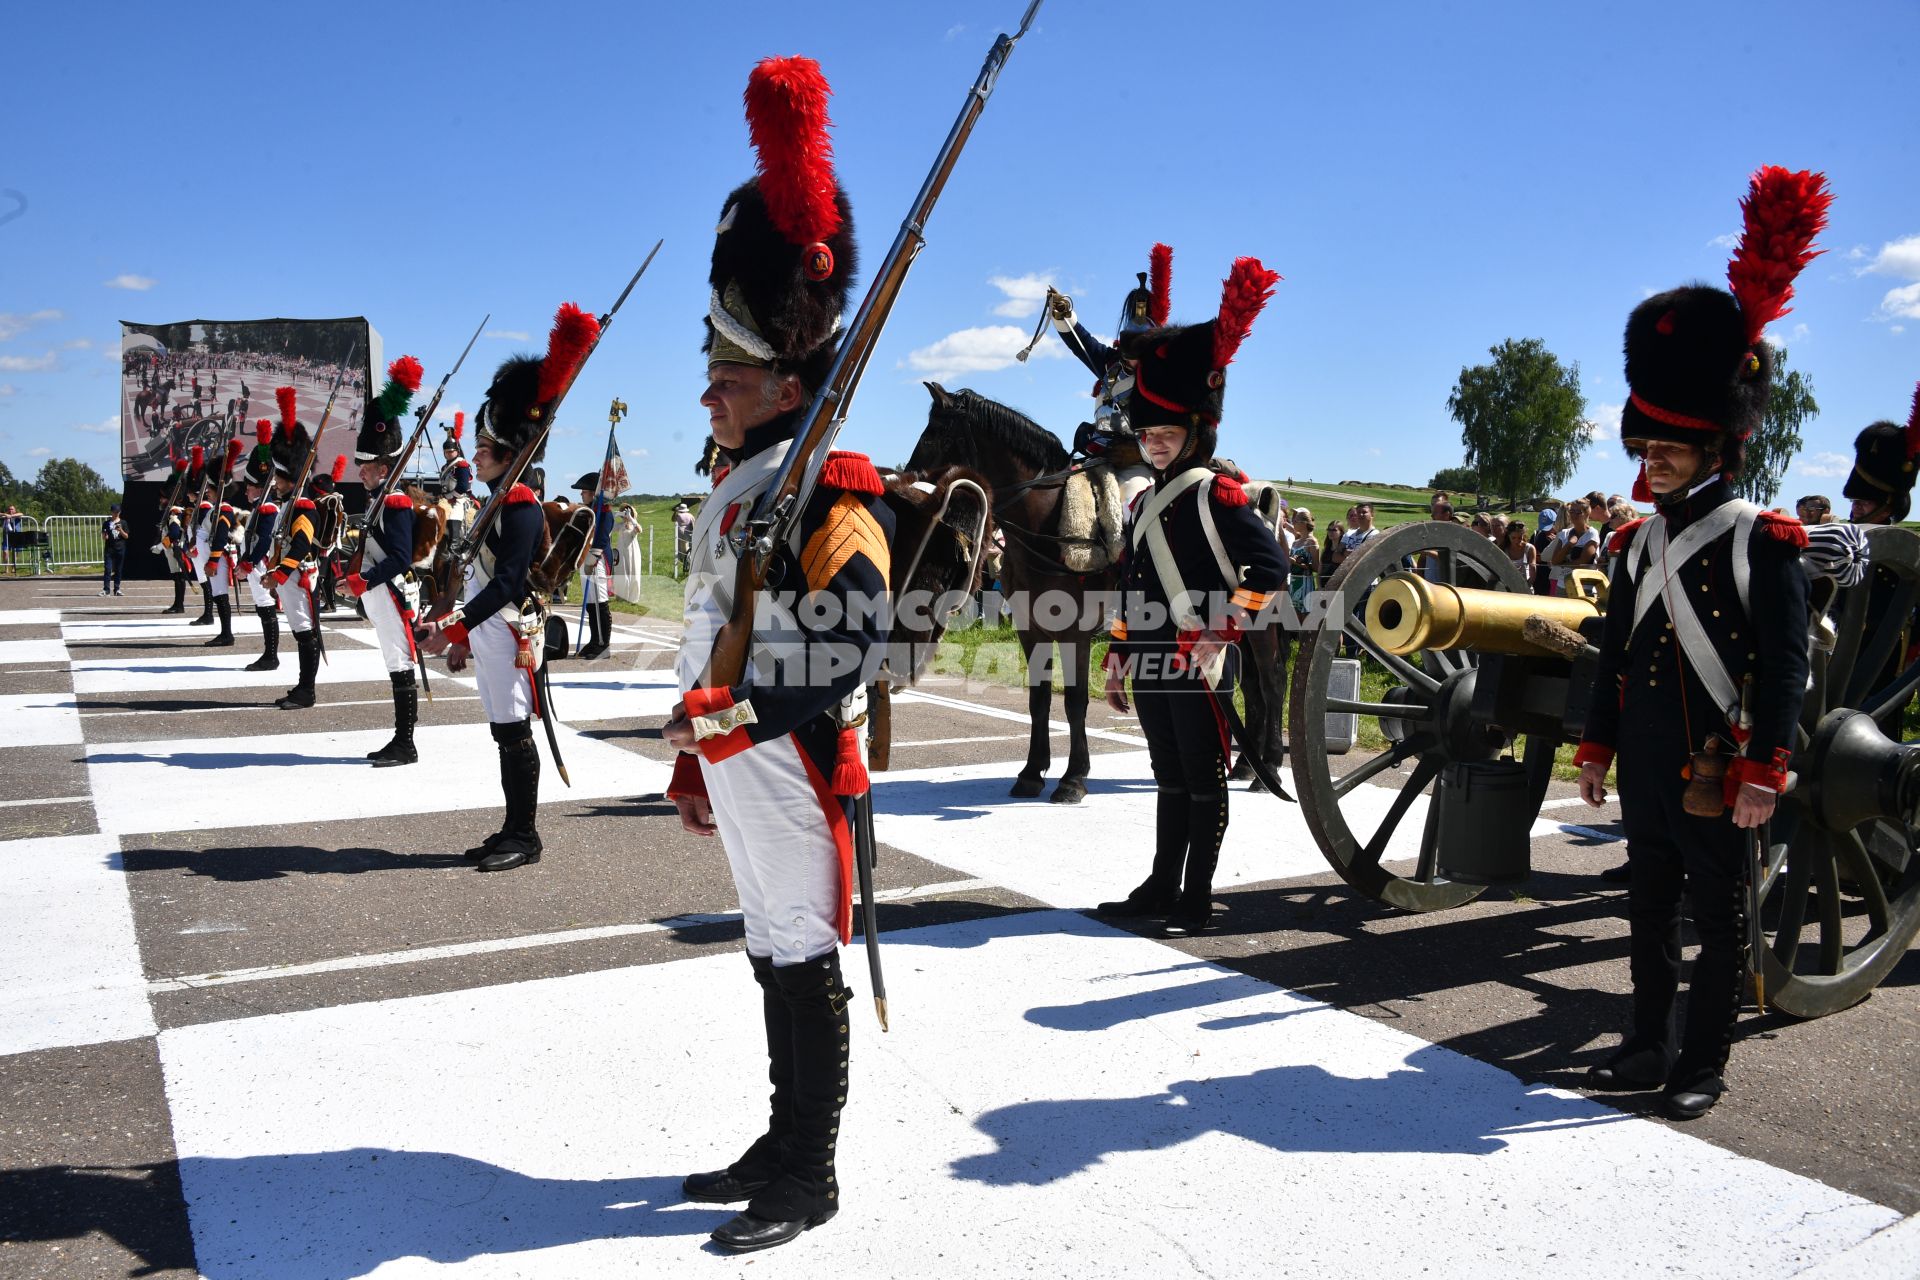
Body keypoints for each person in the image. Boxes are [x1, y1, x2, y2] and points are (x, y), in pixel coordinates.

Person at [661, 57, 892, 1255]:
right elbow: (719, 619)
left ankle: (812, 1170)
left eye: (727, 375)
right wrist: (705, 745)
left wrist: (734, 720)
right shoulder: (745, 480)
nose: (709, 393)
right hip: (745, 749)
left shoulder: (832, 487)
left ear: (787, 378)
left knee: (803, 955)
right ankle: (776, 1134)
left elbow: (856, 638)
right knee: (765, 943)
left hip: (798, 753)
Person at [1575, 164, 1824, 1121]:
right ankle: (1643, 1044)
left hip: (1722, 763)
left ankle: (1702, 1065)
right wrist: (1595, 743)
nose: (1654, 458)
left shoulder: (1764, 537)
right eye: (1646, 447)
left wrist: (1769, 765)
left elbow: (1788, 665)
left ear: (1719, 443)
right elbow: (1617, 654)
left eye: (1671, 445)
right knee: (1647, 908)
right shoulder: (1639, 541)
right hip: (1644, 757)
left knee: (1716, 921)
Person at [1095, 253, 1286, 939]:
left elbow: (1270, 570)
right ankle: (1159, 883)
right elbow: (1130, 584)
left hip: (1198, 661)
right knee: (1169, 776)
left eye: (1165, 434)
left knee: (1204, 780)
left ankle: (1195, 896)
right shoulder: (1145, 501)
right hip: (1151, 658)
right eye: (1146, 435)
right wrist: (1119, 655)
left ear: (1197, 432)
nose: (1152, 446)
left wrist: (1222, 631)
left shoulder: (1218, 494)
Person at [420, 313, 587, 872]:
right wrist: (465, 626)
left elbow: (510, 581)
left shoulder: (516, 502)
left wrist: (459, 623)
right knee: (502, 731)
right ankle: (512, 826)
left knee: (515, 733)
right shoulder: (492, 499)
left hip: (512, 627)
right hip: (488, 629)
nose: (478, 452)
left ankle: (526, 835)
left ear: (511, 450)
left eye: (487, 445)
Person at [344, 357, 426, 765]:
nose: (360, 472)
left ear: (384, 465)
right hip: (381, 591)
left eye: (366, 466)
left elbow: (399, 556)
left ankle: (405, 742)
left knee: (399, 664)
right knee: (393, 664)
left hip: (392, 592)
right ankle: (400, 739)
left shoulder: (394, 501)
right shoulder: (380, 499)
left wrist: (365, 581)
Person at [268, 388, 327, 710]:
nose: (275, 482)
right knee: (300, 632)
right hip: (290, 577)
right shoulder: (291, 503)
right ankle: (303, 687)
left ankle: (307, 691)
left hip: (299, 577)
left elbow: (302, 545)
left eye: (279, 476)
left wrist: (279, 574)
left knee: (305, 634)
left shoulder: (302, 505)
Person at [236, 421, 282, 672]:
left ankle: (271, 655)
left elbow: (263, 540)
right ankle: (268, 653)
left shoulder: (267, 508)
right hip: (256, 565)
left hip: (261, 566)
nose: (246, 491)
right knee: (263, 608)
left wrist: (248, 563)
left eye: (249, 487)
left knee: (266, 608)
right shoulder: (259, 508)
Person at [571, 470, 616, 659]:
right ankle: (594, 640)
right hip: (586, 559)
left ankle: (603, 644)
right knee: (591, 603)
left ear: (593, 492)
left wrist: (592, 557)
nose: (582, 494)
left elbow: (602, 538)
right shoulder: (589, 511)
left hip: (596, 560)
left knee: (599, 602)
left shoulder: (604, 512)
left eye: (584, 491)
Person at [1545, 498, 1599, 595]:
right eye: (1572, 511)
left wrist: (1563, 564)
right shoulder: (1564, 533)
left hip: (1583, 587)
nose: (1574, 515)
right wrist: (1569, 545)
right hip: (1562, 585)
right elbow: (1555, 561)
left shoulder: (1592, 534)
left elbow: (1583, 562)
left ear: (1586, 514)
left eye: (1578, 512)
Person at [439, 415, 474, 547]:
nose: (448, 454)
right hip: (446, 498)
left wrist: (448, 497)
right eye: (446, 452)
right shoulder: (445, 467)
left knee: (454, 514)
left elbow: (462, 487)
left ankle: (454, 545)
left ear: (457, 451)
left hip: (460, 498)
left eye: (451, 451)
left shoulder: (461, 465)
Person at [100, 504, 127, 595]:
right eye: (114, 512)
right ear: (111, 512)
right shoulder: (106, 523)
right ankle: (106, 589)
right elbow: (104, 537)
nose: (115, 514)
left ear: (120, 512)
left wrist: (121, 530)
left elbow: (126, 536)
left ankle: (117, 589)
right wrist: (105, 536)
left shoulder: (123, 523)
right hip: (109, 549)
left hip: (120, 549)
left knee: (118, 569)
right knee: (108, 569)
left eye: (117, 512)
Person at [1530, 507, 1557, 595]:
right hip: (1539, 580)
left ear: (1555, 522)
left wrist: (1555, 543)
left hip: (1555, 580)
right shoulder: (1536, 536)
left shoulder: (1562, 537)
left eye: (1549, 527)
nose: (1546, 531)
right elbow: (1533, 557)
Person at [1499, 518, 1536, 583]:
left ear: (1523, 535)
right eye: (1513, 538)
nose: (1517, 541)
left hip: (1525, 585)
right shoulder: (1503, 548)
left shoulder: (1530, 548)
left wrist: (1528, 584)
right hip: (1507, 585)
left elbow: (1532, 568)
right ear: (1508, 536)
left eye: (1520, 538)